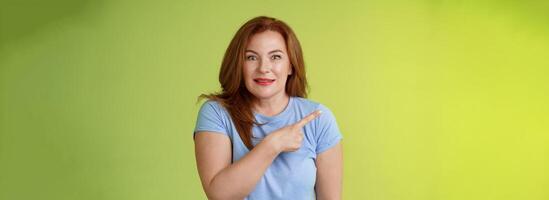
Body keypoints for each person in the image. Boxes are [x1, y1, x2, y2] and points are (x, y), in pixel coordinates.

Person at [193, 16, 343, 200]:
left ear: (291, 66)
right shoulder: (216, 113)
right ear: (239, 65)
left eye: (276, 57)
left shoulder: (319, 118)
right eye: (251, 57)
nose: (264, 68)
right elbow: (220, 195)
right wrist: (273, 144)